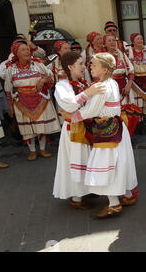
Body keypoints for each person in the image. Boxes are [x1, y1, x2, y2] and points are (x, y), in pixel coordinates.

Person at [61, 52, 138, 218]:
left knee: (104, 166)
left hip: (107, 131)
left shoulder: (102, 87)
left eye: (94, 65)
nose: (90, 67)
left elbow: (91, 110)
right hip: (116, 128)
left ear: (104, 69)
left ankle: (114, 204)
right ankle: (128, 196)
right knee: (118, 164)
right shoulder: (111, 82)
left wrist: (72, 117)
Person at [53, 51, 106, 208]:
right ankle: (76, 198)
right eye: (81, 64)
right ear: (70, 67)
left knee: (87, 159)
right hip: (73, 130)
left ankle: (87, 189)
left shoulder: (81, 84)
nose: (84, 67)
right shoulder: (62, 85)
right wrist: (88, 93)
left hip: (85, 126)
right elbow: (69, 104)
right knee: (77, 160)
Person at [4, 40, 61, 161]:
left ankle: (42, 149)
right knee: (28, 129)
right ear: (16, 53)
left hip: (39, 98)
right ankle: (32, 151)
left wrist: (42, 80)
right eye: (23, 50)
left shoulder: (37, 64)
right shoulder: (11, 68)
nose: (27, 51)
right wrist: (9, 105)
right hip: (21, 101)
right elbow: (8, 87)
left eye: (27, 49)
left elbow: (50, 76)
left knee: (41, 127)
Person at [103, 33, 141, 137]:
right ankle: (114, 135)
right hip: (110, 91)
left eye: (114, 40)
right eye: (109, 40)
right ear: (104, 44)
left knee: (126, 114)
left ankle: (127, 136)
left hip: (124, 89)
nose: (112, 42)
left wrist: (129, 85)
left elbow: (131, 71)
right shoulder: (102, 58)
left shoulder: (122, 55)